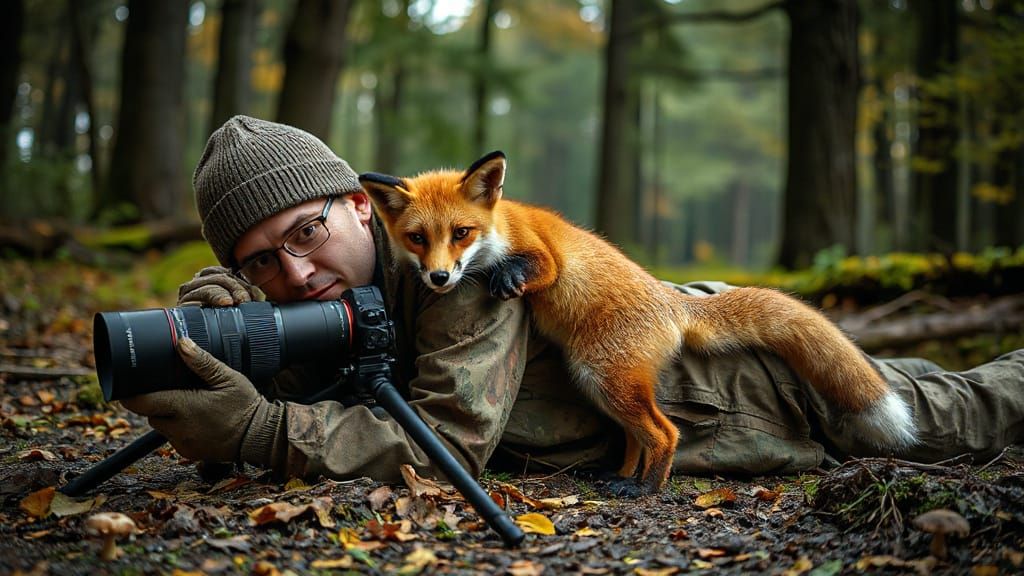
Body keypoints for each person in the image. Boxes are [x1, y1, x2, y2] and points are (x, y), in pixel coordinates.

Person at [121, 116, 1024, 486]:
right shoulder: (347, 279)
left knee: (971, 408)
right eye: (260, 265)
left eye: (305, 235)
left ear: (363, 202)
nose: (294, 274)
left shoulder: (465, 273)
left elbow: (450, 439)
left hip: (747, 384)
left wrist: (256, 432)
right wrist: (217, 320)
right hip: (666, 353)